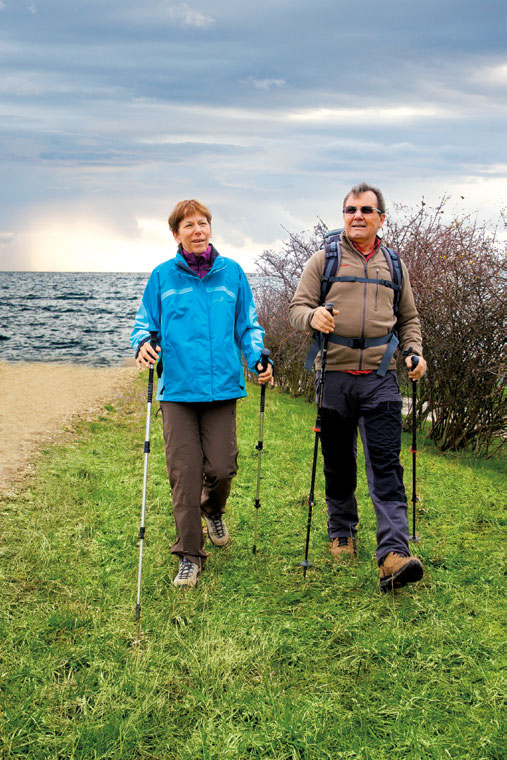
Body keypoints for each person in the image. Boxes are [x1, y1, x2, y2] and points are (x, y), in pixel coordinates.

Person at [289, 182, 427, 592]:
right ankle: (342, 530)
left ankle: (392, 555)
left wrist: (414, 352)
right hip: (333, 374)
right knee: (338, 461)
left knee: (385, 464)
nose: (358, 216)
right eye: (350, 210)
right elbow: (297, 308)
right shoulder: (323, 261)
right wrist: (312, 317)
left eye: (367, 210)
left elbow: (410, 319)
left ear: (381, 218)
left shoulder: (394, 266)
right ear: (343, 215)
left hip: (382, 379)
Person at [131, 199, 272, 589]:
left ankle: (213, 510)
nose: (198, 230)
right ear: (176, 234)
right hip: (177, 391)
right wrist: (143, 342)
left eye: (203, 223)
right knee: (184, 473)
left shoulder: (233, 274)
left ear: (210, 229)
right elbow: (144, 324)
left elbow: (248, 326)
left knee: (223, 467)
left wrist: (258, 356)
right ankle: (189, 555)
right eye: (188, 225)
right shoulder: (162, 277)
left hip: (222, 388)